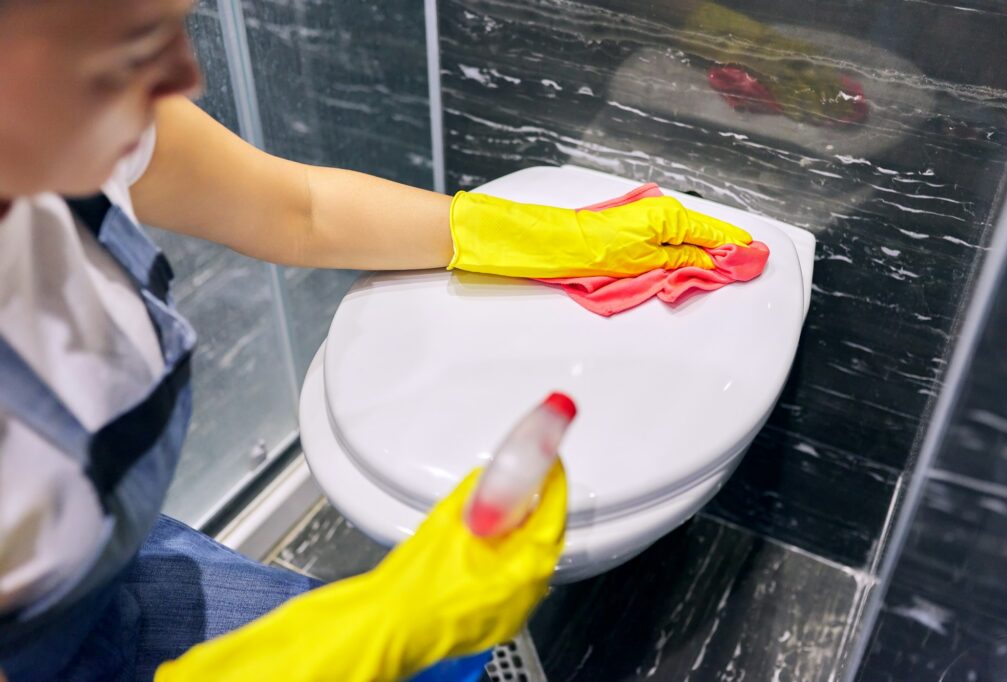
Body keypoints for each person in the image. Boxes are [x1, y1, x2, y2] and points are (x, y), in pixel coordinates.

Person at [0, 0, 751, 680]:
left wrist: (552, 239)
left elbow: (296, 208)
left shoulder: (58, 92)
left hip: (98, 583)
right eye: (129, 41)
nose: (185, 79)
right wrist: (356, 645)